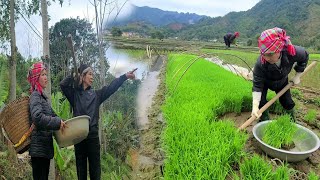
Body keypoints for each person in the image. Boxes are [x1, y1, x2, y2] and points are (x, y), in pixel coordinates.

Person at [60, 64, 136, 180]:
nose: (92, 77)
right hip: (78, 137)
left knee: (95, 170)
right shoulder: (74, 95)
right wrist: (73, 76)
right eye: (90, 74)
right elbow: (63, 85)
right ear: (83, 76)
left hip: (92, 136)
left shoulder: (97, 95)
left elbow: (111, 87)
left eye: (93, 75)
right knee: (81, 170)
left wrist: (125, 76)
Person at [251, 27, 309, 122]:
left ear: (279, 49)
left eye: (270, 54)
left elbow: (305, 56)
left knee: (287, 102)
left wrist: (298, 75)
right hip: (266, 82)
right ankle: (264, 120)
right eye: (264, 54)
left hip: (282, 81)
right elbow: (257, 86)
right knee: (261, 102)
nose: (266, 58)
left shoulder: (292, 52)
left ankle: (291, 120)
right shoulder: (260, 64)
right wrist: (255, 106)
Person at [28, 62, 67, 180]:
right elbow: (37, 117)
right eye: (43, 75)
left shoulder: (43, 98)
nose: (46, 77)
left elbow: (53, 116)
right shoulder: (35, 96)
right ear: (36, 78)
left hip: (44, 149)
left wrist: (64, 122)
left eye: (46, 74)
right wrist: (57, 122)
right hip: (38, 150)